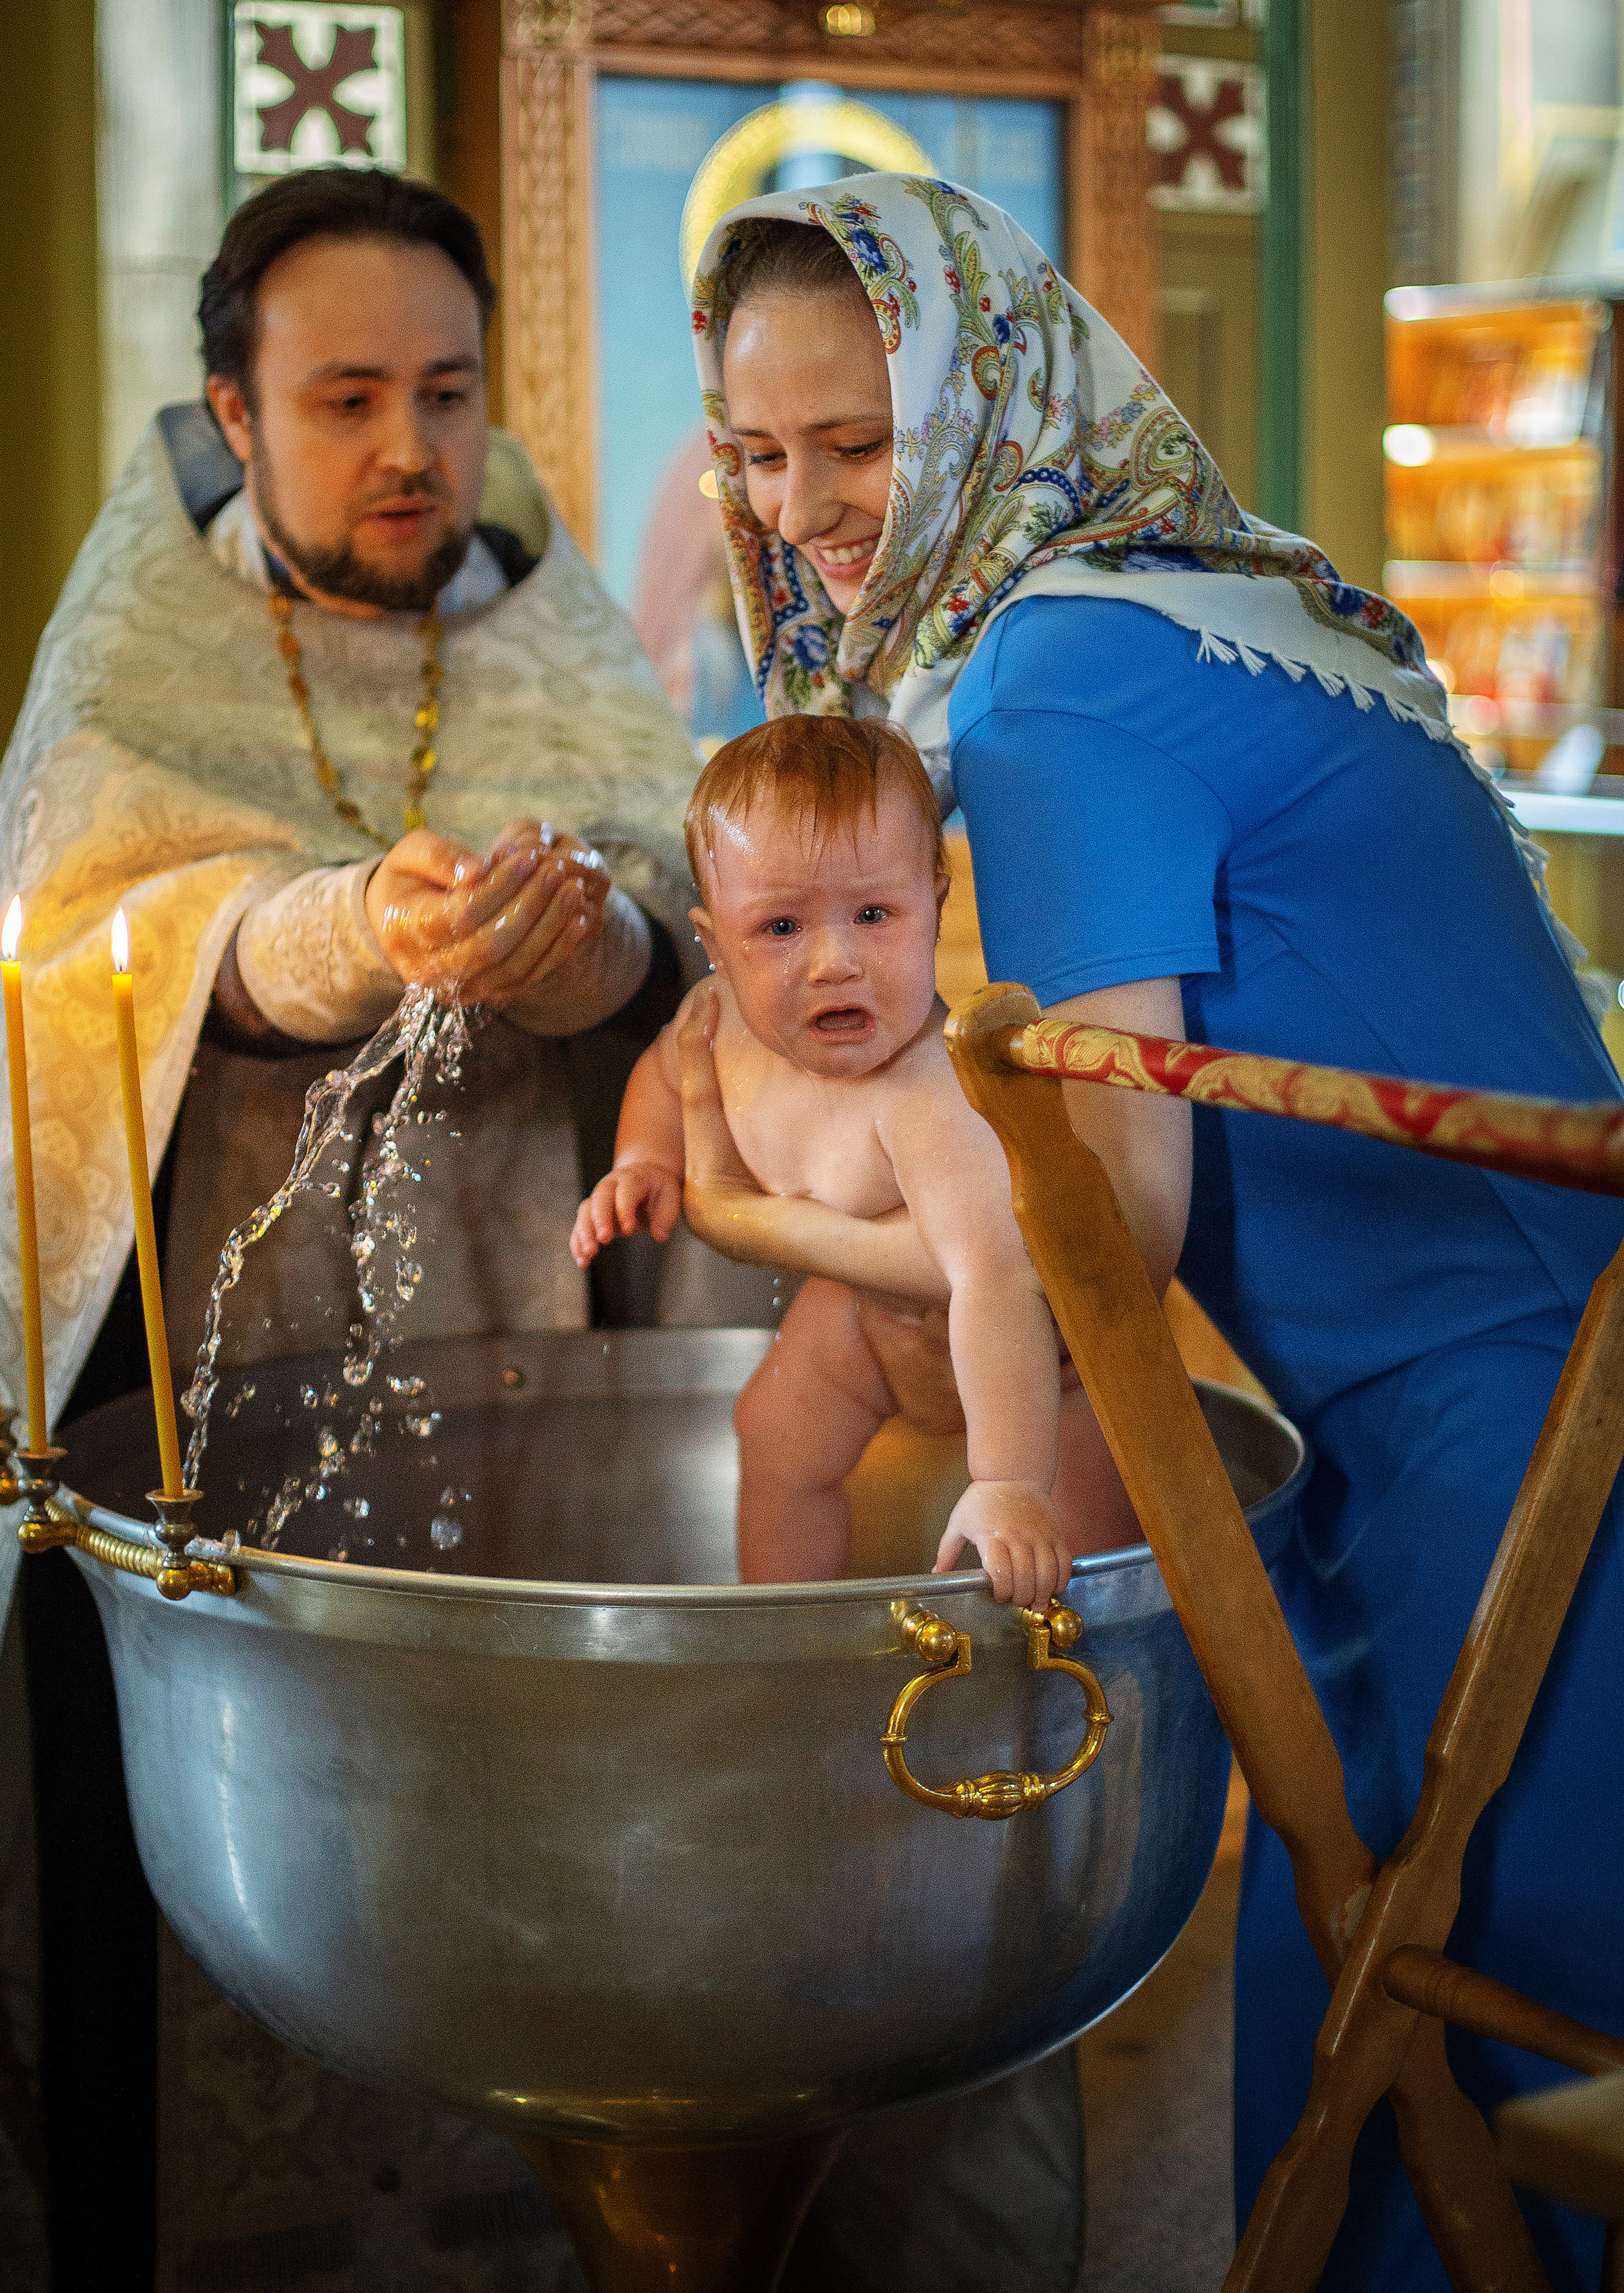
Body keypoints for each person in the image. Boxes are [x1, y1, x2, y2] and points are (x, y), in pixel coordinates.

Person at [0, 168, 1084, 2293]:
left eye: (443, 389)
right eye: (342, 398)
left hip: (526, 1403)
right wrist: (326, 932)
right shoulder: (134, 658)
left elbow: (696, 923)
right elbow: (80, 964)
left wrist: (603, 932)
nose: (409, 446)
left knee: (549, 1921)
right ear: (233, 414)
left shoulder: (550, 628)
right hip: (207, 1436)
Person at [680, 173, 1624, 2293]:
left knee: (1494, 2028)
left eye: (859, 438)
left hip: (1526, 1436)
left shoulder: (1052, 685)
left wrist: (774, 1225)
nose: (805, 506)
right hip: (1462, 1386)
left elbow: (1110, 1211)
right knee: (1398, 2011)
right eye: (755, 449)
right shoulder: (1156, 584)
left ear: (985, 386)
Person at [573, 715, 1139, 1600]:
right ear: (714, 943)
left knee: (1082, 1532)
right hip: (866, 1315)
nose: (833, 961)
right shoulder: (716, 1022)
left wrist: (1008, 1482)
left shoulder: (930, 1095)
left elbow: (996, 1282)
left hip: (1036, 1356)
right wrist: (642, 1160)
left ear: (935, 902)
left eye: (873, 914)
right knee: (771, 1433)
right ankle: (780, 1626)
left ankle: (1087, 1661)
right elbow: (661, 1072)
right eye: (781, 927)